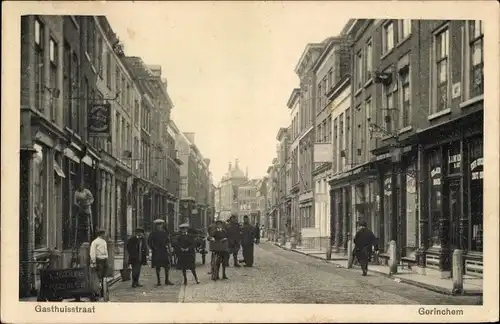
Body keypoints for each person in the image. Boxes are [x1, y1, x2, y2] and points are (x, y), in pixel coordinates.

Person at [148, 222, 174, 286]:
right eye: (157, 225)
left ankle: (167, 280)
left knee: (167, 266)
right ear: (155, 226)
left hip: (164, 251)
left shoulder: (165, 233)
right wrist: (153, 247)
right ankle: (159, 281)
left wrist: (169, 248)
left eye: (160, 225)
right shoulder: (153, 233)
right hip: (156, 252)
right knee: (157, 267)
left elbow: (168, 241)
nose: (159, 226)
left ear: (162, 225)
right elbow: (149, 242)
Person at [89, 228, 108, 298]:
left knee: (104, 276)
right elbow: (92, 252)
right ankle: (97, 292)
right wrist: (93, 261)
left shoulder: (104, 242)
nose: (105, 235)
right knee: (98, 277)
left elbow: (106, 251)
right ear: (101, 234)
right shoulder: (95, 242)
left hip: (104, 260)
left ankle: (103, 292)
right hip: (98, 260)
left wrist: (107, 258)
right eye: (104, 233)